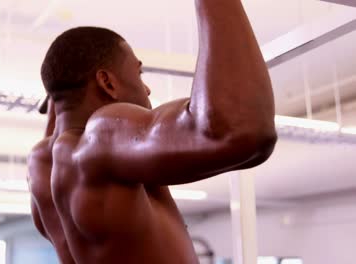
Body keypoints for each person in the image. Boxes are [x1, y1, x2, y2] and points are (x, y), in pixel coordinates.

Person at [27, 0, 277, 263]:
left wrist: (60, 90)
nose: (146, 89)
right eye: (139, 73)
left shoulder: (42, 165)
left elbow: (61, 112)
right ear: (107, 83)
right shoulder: (100, 137)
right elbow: (238, 128)